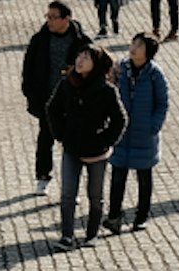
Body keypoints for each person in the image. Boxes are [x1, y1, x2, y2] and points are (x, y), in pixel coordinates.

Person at [46, 44, 126, 249]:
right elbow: (52, 109)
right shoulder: (67, 84)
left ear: (96, 64)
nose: (80, 60)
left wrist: (104, 140)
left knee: (95, 196)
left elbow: (120, 120)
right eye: (79, 55)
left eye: (86, 57)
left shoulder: (107, 90)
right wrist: (61, 134)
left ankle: (91, 235)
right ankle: (67, 236)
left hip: (97, 152)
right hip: (72, 148)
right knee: (68, 194)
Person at [20, 0, 92, 199]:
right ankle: (43, 176)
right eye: (48, 17)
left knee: (73, 144)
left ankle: (71, 186)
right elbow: (28, 68)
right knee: (45, 139)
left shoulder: (81, 42)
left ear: (66, 19)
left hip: (73, 101)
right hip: (48, 101)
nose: (50, 21)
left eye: (54, 17)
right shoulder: (40, 40)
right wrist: (29, 92)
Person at [106, 33, 170, 234]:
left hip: (144, 135)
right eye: (133, 43)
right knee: (117, 177)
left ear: (148, 52)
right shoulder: (120, 69)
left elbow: (162, 103)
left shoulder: (155, 74)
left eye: (139, 45)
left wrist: (153, 126)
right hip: (121, 134)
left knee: (144, 177)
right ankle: (114, 217)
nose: (133, 48)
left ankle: (141, 217)